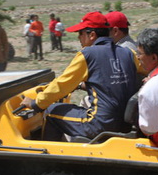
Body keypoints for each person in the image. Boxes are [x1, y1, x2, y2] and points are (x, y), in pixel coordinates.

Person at [21, 11, 138, 141]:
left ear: (92, 35)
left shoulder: (87, 54)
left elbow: (62, 85)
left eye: (80, 33)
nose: (78, 38)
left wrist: (36, 103)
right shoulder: (129, 53)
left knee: (51, 111)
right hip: (126, 123)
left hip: (100, 124)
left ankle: (48, 153)